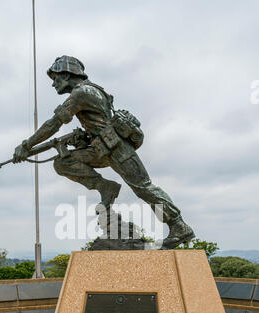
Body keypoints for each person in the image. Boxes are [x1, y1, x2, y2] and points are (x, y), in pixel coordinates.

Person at [13, 55, 194, 248]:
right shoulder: (93, 90)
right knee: (62, 162)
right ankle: (105, 187)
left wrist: (26, 145)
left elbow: (53, 124)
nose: (53, 84)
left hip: (117, 149)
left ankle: (178, 226)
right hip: (101, 149)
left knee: (143, 188)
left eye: (55, 78)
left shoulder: (81, 93)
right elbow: (98, 123)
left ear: (66, 75)